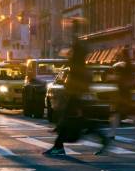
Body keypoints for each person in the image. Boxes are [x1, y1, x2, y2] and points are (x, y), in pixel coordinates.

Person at [44, 25, 109, 156]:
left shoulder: (77, 63)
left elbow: (77, 78)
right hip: (76, 94)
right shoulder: (79, 62)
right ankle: (102, 139)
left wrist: (74, 32)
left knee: (71, 120)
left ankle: (59, 146)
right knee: (78, 120)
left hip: (76, 94)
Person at [109, 47, 135, 139]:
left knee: (129, 114)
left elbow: (130, 80)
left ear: (123, 55)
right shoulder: (127, 65)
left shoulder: (126, 66)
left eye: (121, 55)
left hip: (124, 95)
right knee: (121, 114)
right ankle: (113, 133)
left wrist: (117, 79)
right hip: (124, 94)